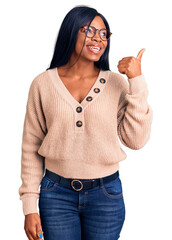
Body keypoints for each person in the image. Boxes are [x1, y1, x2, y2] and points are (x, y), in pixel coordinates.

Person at [18, 5, 153, 240]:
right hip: (55, 194)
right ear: (71, 31)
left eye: (103, 34)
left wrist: (137, 82)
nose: (98, 39)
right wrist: (29, 205)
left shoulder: (116, 84)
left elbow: (136, 141)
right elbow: (31, 146)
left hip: (106, 196)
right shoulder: (42, 84)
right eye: (89, 30)